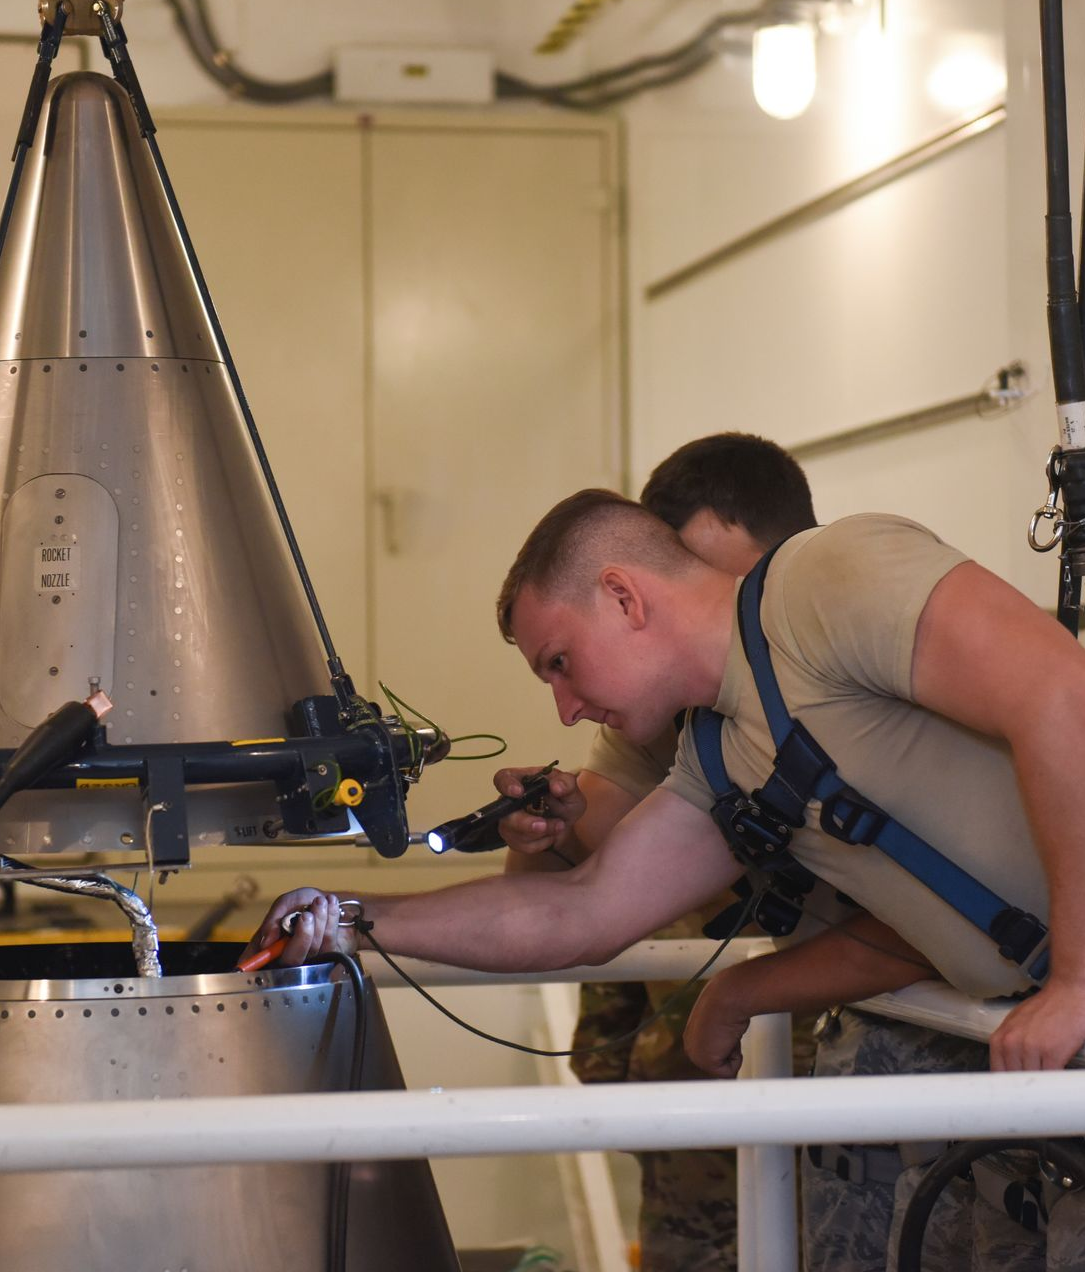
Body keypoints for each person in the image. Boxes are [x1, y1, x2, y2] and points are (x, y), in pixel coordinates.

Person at [244, 493, 1085, 1246]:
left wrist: (1076, 982)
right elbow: (577, 915)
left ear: (622, 595)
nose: (565, 708)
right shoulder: (723, 761)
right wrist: (345, 916)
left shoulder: (831, 576)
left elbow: (1060, 691)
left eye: (560, 663)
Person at [501, 433, 817, 1272]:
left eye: (727, 584)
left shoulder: (840, 665)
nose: (710, 609)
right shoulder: (675, 715)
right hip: (693, 1098)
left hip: (824, 1082)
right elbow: (589, 870)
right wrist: (551, 821)